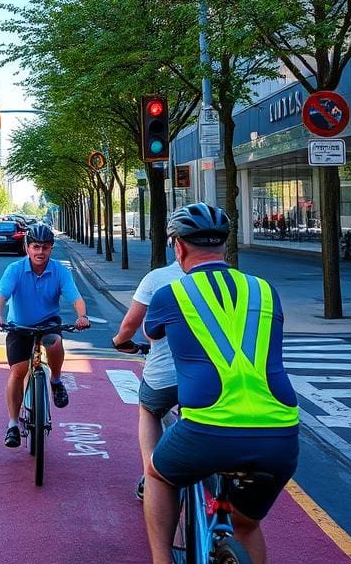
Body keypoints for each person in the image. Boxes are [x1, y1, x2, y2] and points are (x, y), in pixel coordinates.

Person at [143, 203, 299, 564]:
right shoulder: (265, 290)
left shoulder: (171, 294)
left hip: (208, 430)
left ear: (178, 247)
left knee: (158, 473)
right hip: (280, 434)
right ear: (225, 247)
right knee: (246, 525)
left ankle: (160, 560)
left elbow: (152, 332)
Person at [0, 224, 90, 448]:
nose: (40, 252)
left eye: (45, 247)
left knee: (55, 343)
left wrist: (82, 316)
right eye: (35, 246)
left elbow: (76, 298)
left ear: (51, 248)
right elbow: (1, 297)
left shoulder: (60, 270)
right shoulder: (14, 269)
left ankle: (56, 380)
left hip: (48, 324)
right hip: (19, 326)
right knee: (17, 371)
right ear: (27, 247)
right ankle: (13, 424)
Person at [112, 257, 185, 500]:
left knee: (149, 409)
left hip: (164, 374)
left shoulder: (158, 279)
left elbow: (133, 324)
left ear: (178, 245)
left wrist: (120, 341)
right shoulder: (242, 282)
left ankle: (151, 477)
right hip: (219, 377)